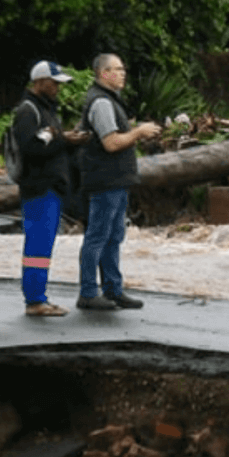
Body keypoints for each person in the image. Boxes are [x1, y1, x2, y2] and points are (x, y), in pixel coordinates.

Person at [77, 53, 162, 310]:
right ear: (103, 74)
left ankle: (113, 289)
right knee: (97, 236)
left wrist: (136, 132)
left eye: (123, 69)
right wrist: (138, 132)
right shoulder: (101, 102)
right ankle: (89, 292)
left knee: (114, 236)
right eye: (117, 69)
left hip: (115, 181)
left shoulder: (110, 100)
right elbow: (111, 143)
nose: (123, 73)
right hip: (105, 181)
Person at [15, 60, 90, 316]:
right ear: (40, 82)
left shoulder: (44, 109)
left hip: (50, 188)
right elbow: (31, 149)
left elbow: (47, 143)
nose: (58, 87)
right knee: (37, 245)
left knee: (42, 246)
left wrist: (67, 140)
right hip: (38, 188)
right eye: (54, 82)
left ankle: (38, 296)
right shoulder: (28, 111)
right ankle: (35, 300)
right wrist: (62, 138)